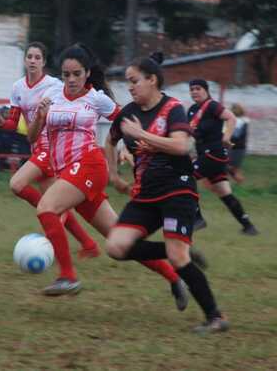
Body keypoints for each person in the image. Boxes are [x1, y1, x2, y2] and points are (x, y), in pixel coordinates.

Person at [28, 44, 188, 307]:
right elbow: (32, 138)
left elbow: (127, 121)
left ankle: (67, 276)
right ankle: (174, 278)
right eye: (66, 74)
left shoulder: (96, 98)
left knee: (46, 208)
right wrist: (39, 116)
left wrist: (129, 147)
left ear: (87, 73)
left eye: (76, 74)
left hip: (89, 166)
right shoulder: (51, 96)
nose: (70, 80)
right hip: (68, 174)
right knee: (120, 242)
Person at [105, 53, 229, 333]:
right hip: (146, 195)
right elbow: (110, 141)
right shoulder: (128, 113)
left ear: (152, 80)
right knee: (116, 247)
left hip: (177, 190)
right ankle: (181, 251)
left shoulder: (173, 108)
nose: (131, 87)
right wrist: (113, 175)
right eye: (128, 82)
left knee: (177, 258)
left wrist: (142, 135)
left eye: (135, 81)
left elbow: (181, 146)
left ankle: (216, 317)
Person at [0, 42, 100, 259]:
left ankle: (55, 221)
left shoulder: (55, 85)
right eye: (29, 56)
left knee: (17, 184)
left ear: (44, 62)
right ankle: (89, 244)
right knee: (53, 203)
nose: (32, 60)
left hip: (50, 147)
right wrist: (1, 123)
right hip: (35, 146)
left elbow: (72, 105)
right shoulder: (18, 87)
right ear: (24, 60)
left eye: (37, 57)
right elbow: (14, 123)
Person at [187, 80, 258, 235]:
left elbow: (231, 118)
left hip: (214, 154)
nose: (194, 92)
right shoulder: (192, 110)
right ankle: (248, 226)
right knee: (223, 191)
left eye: (198, 88)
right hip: (205, 155)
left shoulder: (212, 105)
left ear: (206, 90)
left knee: (186, 178)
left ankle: (197, 219)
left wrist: (226, 138)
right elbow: (189, 134)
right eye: (191, 89)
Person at [228, 103, 249, 184]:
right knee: (230, 168)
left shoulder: (241, 122)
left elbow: (235, 136)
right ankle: (238, 183)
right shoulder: (242, 121)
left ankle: (240, 182)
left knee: (232, 168)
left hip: (237, 148)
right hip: (236, 147)